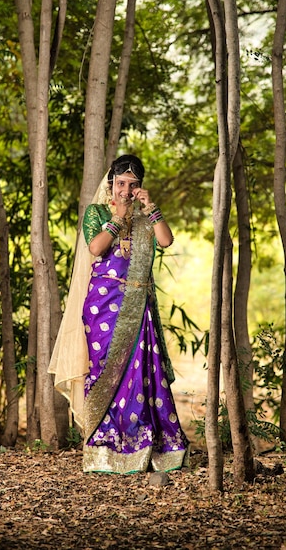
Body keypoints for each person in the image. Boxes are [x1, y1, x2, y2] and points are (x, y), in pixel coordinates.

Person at [49, 154, 189, 474]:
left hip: (138, 304)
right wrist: (118, 219)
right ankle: (104, 448)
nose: (126, 190)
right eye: (121, 183)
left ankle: (144, 447)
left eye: (133, 185)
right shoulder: (97, 213)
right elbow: (96, 249)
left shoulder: (145, 218)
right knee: (104, 373)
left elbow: (166, 240)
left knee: (141, 375)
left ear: (140, 187)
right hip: (102, 304)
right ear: (111, 184)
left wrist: (149, 208)